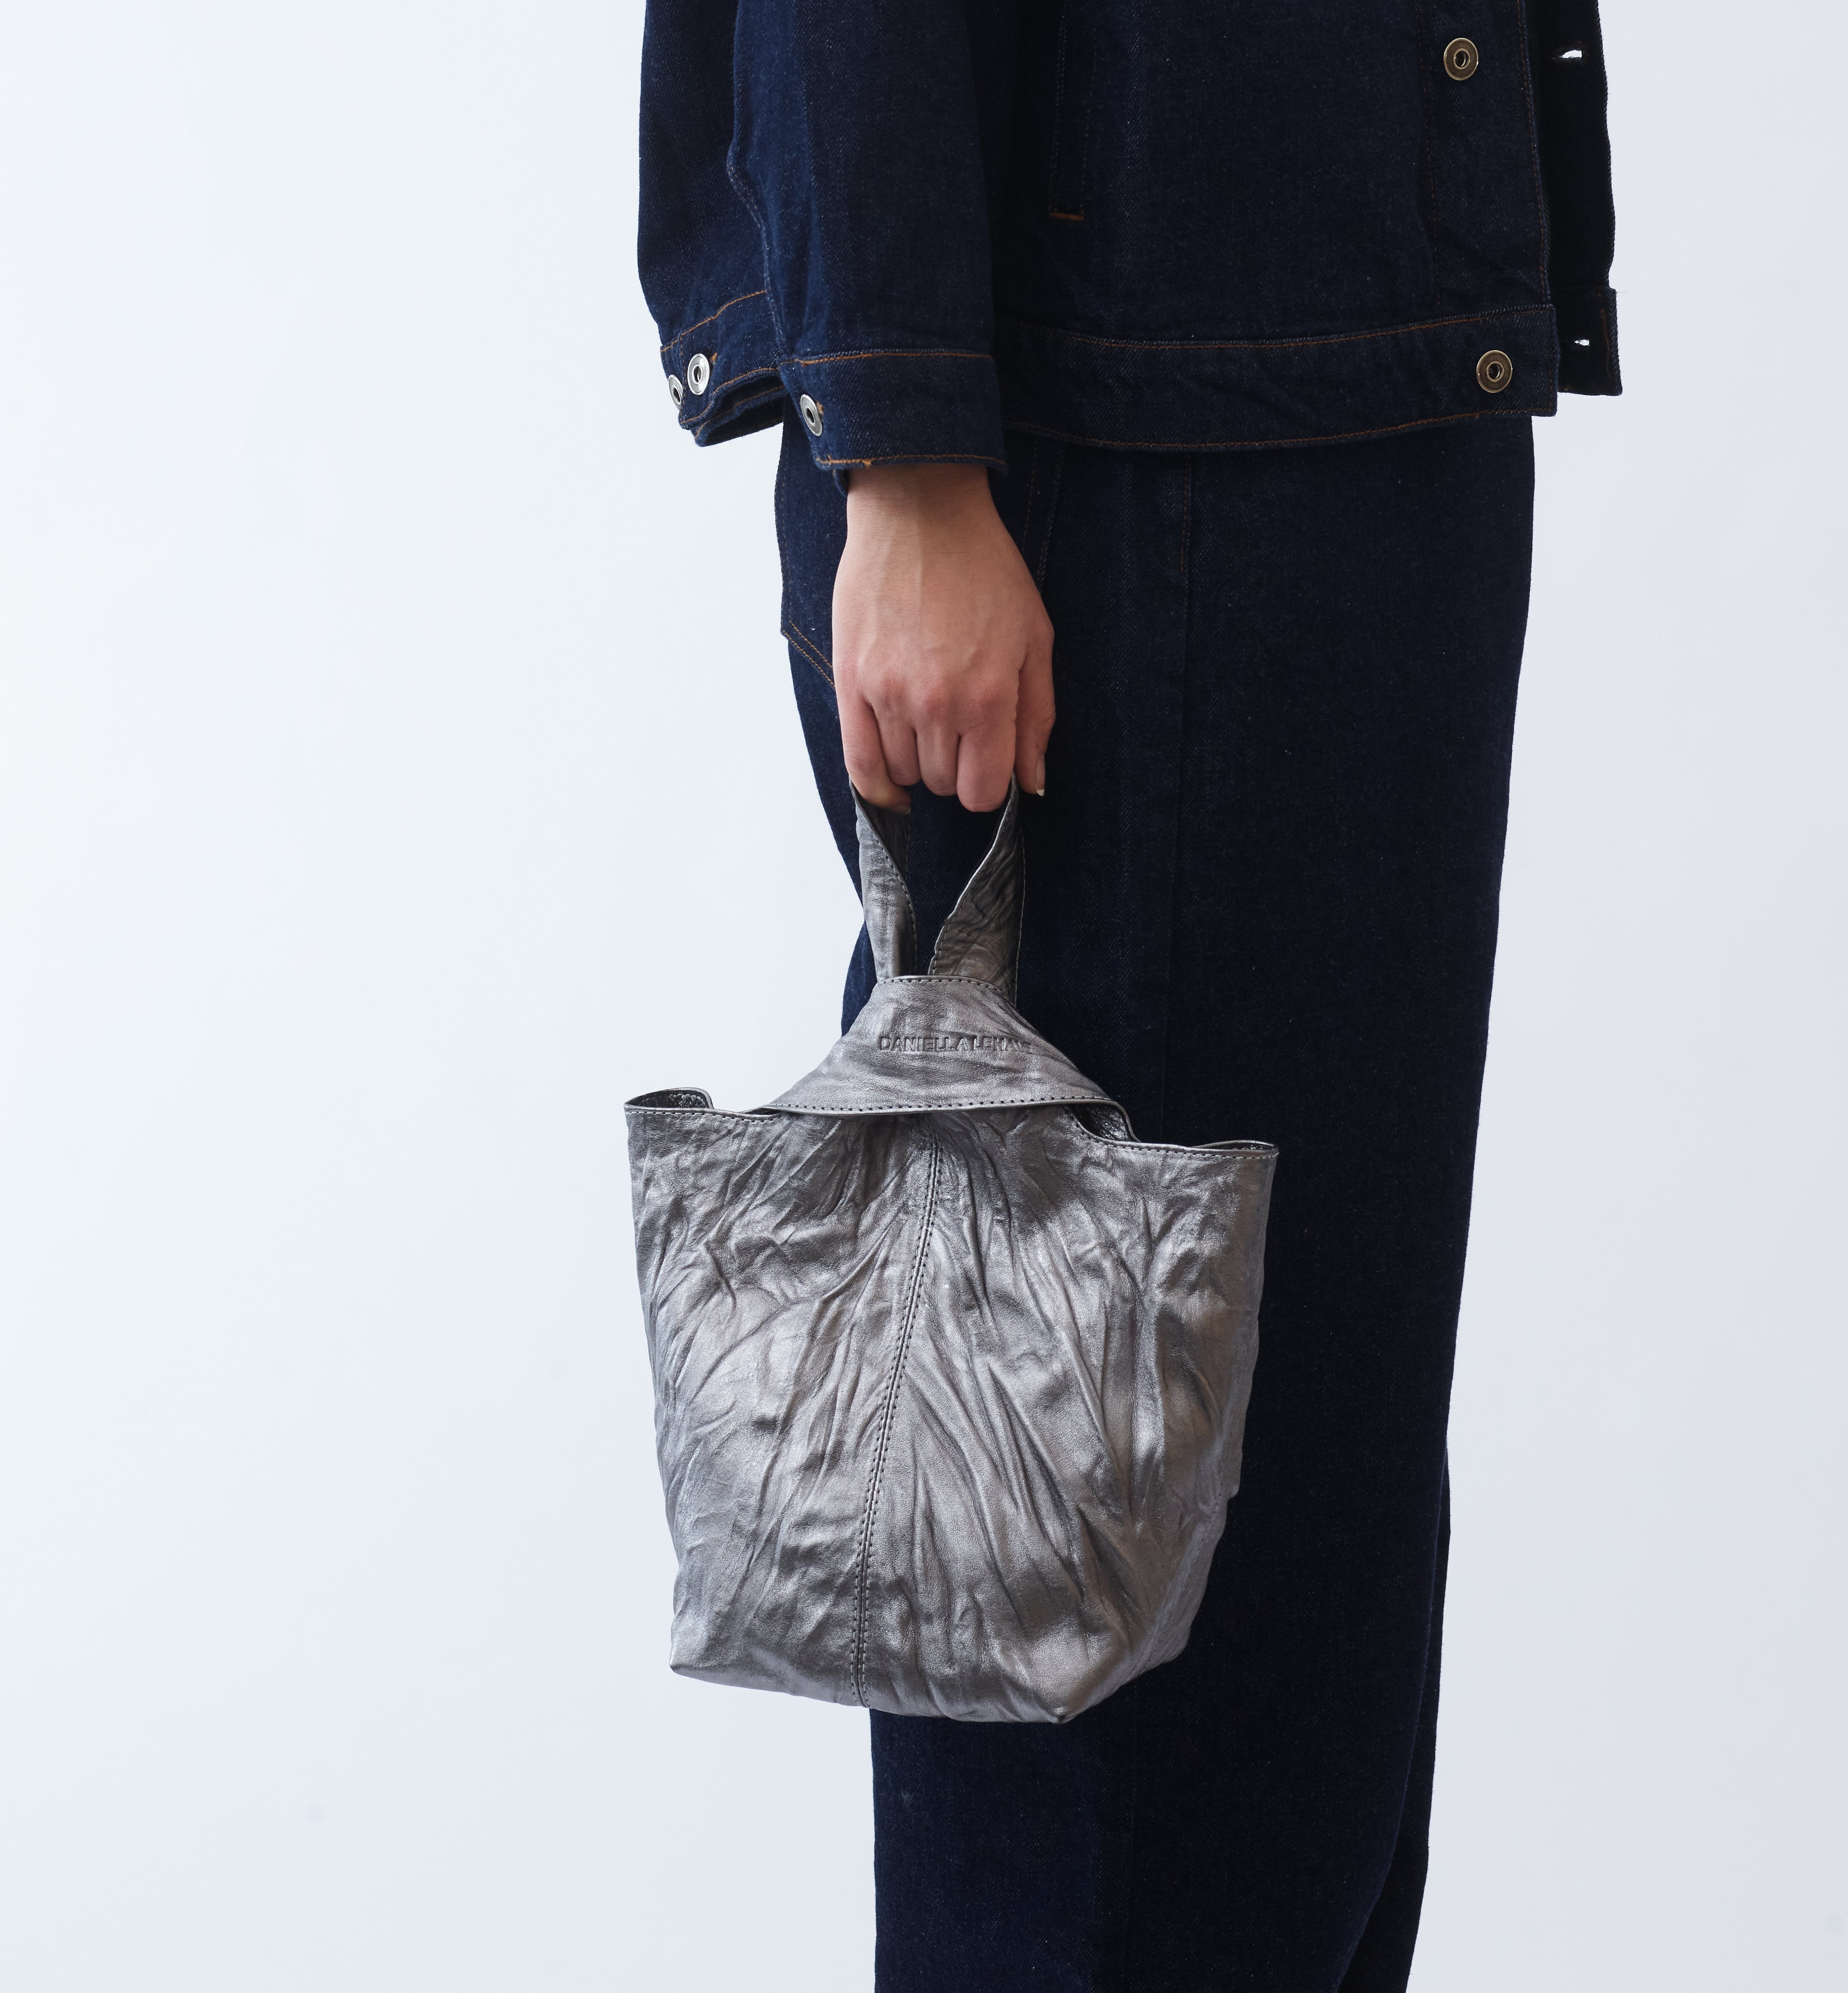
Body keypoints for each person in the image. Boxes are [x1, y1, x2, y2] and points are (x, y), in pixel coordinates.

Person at [638, 1, 1619, 1985]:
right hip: (1115, 444)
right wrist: (903, 448)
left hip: (1357, 372)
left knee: (1302, 1536)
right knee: (1088, 1540)